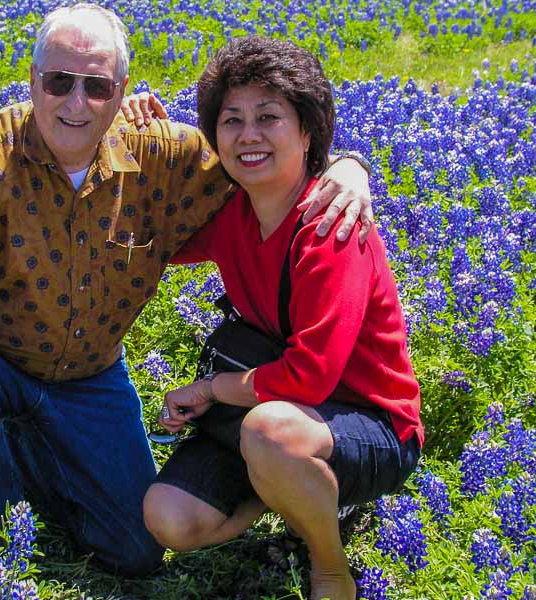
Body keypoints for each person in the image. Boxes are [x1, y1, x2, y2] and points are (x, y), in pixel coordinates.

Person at [0, 4, 375, 576]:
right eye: (59, 81)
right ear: (33, 80)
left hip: (88, 376)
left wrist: (343, 166)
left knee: (136, 550)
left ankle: (30, 447)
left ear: (121, 91)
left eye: (96, 86)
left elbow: (265, 160)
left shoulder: (164, 157)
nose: (75, 102)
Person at [141, 36, 423, 599]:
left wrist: (214, 388)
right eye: (232, 120)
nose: (249, 135)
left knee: (270, 433)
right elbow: (148, 240)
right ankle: (297, 492)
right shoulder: (233, 216)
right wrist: (130, 131)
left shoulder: (331, 229)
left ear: (307, 131)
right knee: (167, 515)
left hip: (368, 421)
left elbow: (312, 378)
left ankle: (328, 564)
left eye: (269, 117)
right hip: (275, 412)